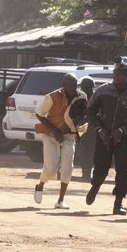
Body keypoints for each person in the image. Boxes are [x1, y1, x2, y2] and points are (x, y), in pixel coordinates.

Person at [85, 56, 127, 215]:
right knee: (101, 168)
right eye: (115, 73)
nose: (116, 76)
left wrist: (124, 130)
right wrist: (99, 129)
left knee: (123, 171)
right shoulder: (103, 90)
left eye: (120, 73)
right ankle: (95, 188)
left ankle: (118, 203)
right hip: (103, 137)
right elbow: (90, 111)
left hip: (124, 139)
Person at [33, 73, 87, 209]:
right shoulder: (52, 97)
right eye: (71, 85)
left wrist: (79, 127)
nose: (73, 88)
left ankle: (60, 200)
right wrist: (54, 131)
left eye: (75, 85)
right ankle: (40, 185)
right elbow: (39, 114)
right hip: (51, 135)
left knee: (68, 168)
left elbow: (81, 114)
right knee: (51, 167)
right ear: (64, 86)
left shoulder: (81, 97)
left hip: (69, 136)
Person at [76, 77, 96, 180]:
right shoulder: (81, 98)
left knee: (88, 150)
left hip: (92, 129)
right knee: (85, 150)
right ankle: (86, 171)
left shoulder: (95, 98)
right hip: (85, 128)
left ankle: (87, 171)